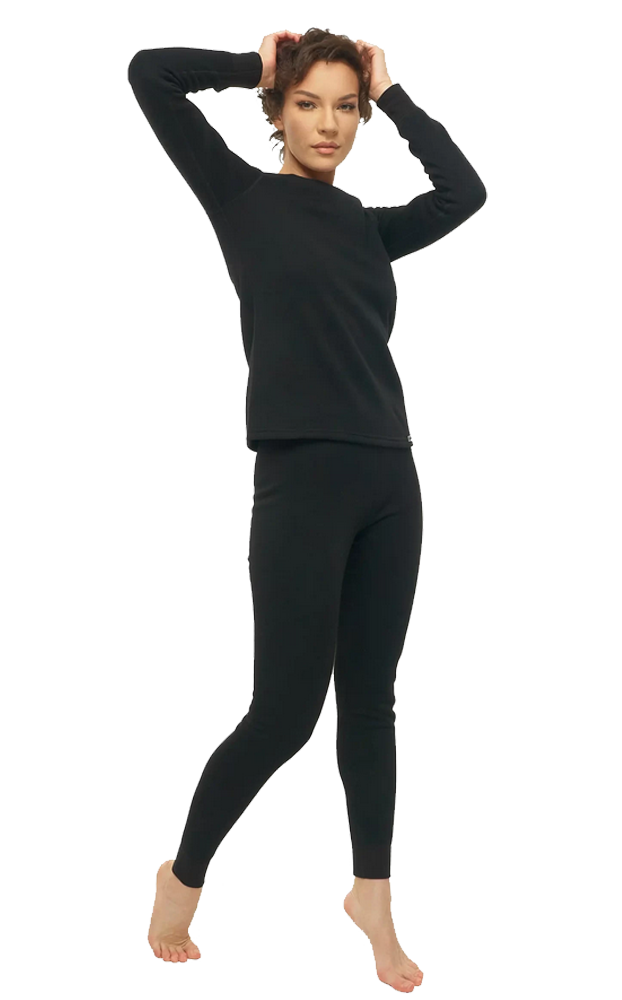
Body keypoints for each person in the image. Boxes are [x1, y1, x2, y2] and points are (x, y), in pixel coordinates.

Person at [128, 26, 486, 992]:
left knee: (371, 702)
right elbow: (150, 74)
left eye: (345, 107)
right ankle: (182, 876)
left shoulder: (368, 227)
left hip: (391, 480)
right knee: (285, 711)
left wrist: (396, 92)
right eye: (307, 103)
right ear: (279, 111)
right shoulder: (240, 196)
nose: (329, 124)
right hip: (301, 479)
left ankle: (373, 895)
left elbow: (465, 194)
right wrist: (258, 63)